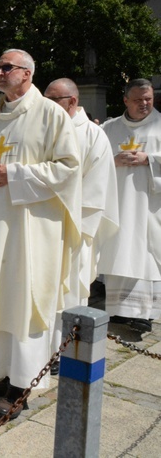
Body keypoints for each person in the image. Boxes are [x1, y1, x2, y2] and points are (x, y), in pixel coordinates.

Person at [0, 49, 81, 419]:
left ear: (27, 74)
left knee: (27, 300)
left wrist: (15, 175)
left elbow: (68, 167)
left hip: (33, 228)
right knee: (1, 297)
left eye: (6, 67)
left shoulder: (50, 114)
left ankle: (23, 384)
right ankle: (2, 371)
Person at [44, 78, 118, 361]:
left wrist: (63, 216)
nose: (46, 106)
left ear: (71, 102)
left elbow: (95, 189)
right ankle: (39, 351)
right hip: (42, 225)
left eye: (53, 100)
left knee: (69, 290)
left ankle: (61, 353)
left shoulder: (93, 135)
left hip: (73, 228)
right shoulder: (46, 129)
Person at [99, 78, 161, 333]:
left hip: (150, 206)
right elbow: (93, 161)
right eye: (138, 100)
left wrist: (150, 160)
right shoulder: (109, 128)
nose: (144, 104)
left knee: (146, 252)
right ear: (125, 100)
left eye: (148, 99)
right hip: (119, 203)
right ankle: (117, 310)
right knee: (118, 247)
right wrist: (112, 161)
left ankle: (144, 312)